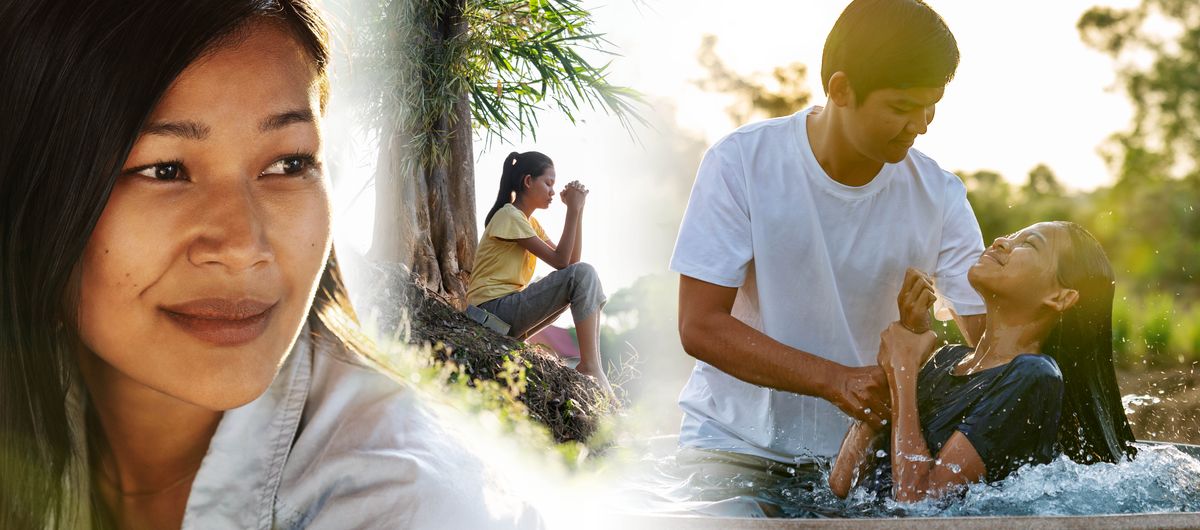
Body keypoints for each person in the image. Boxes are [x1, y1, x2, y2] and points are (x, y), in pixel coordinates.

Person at [0, 2, 538, 529]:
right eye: (164, 169)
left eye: (288, 163)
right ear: (30, 179)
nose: (242, 245)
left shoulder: (415, 507)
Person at [668, 0, 987, 514]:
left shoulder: (939, 196)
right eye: (903, 107)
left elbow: (992, 341)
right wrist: (833, 379)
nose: (922, 125)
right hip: (733, 453)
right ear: (840, 90)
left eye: (932, 106)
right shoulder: (742, 162)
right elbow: (699, 326)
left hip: (863, 465)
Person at [830, 222, 1137, 501]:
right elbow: (840, 485)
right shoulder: (946, 359)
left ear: (1060, 298)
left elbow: (919, 505)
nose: (1002, 241)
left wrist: (903, 368)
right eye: (1012, 234)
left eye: (1029, 245)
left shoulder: (1035, 376)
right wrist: (897, 365)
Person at [467, 152, 612, 395]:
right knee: (584, 274)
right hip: (491, 311)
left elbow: (570, 263)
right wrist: (572, 211)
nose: (553, 192)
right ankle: (591, 365)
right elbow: (562, 262)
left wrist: (579, 211)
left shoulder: (528, 222)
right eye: (548, 183)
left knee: (584, 275)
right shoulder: (508, 215)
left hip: (502, 314)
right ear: (527, 181)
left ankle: (591, 364)